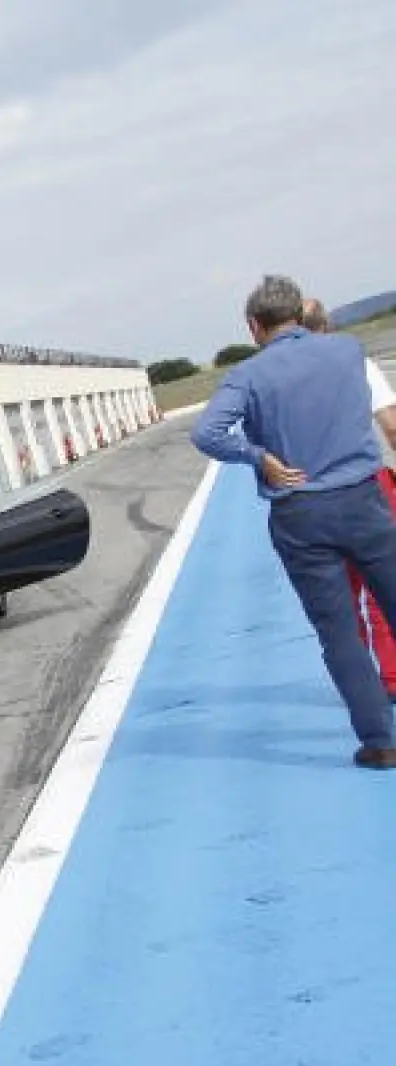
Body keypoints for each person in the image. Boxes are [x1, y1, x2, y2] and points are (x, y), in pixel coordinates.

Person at [190, 275, 396, 768]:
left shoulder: (248, 375)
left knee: (338, 631)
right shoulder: (347, 351)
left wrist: (256, 456)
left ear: (253, 325)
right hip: (364, 497)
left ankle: (381, 742)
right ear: (299, 315)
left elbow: (207, 432)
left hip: (301, 511)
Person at [303, 297, 396, 696]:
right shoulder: (356, 362)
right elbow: (391, 426)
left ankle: (361, 685)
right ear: (327, 325)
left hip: (312, 491)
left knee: (338, 597)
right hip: (367, 481)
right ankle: (393, 676)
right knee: (383, 584)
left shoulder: (278, 378)